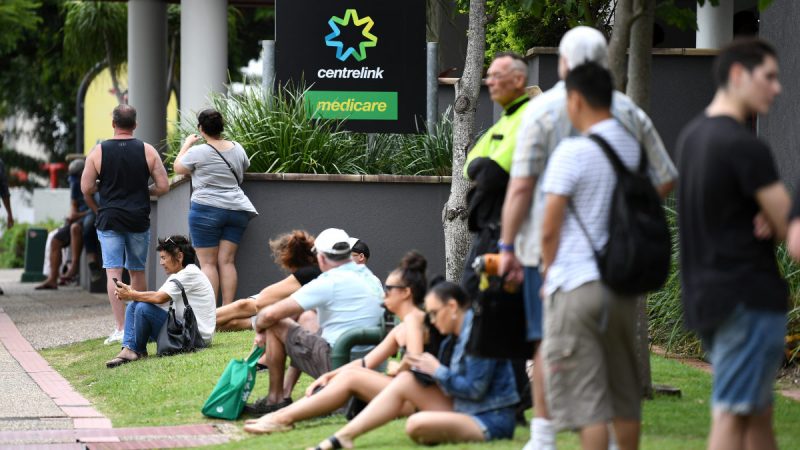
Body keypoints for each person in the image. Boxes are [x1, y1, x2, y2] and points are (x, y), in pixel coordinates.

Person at [497, 26, 678, 450]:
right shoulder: (629, 115)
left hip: (563, 267)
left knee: (559, 360)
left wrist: (509, 247)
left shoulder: (546, 114)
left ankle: (543, 435)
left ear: (564, 66)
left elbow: (525, 193)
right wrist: (626, 215)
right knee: (622, 389)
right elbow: (665, 176)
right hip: (619, 272)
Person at [675, 38, 789, 450]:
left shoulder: (692, 138)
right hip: (747, 299)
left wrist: (768, 216)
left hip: (708, 298)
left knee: (757, 414)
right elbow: (788, 224)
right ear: (738, 74)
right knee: (731, 414)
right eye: (769, 77)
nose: (777, 88)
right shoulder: (745, 146)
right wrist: (779, 216)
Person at [539, 62, 643, 450]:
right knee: (623, 396)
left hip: (577, 283)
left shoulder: (573, 151)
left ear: (577, 99)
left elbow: (549, 227)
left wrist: (548, 274)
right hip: (622, 286)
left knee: (588, 404)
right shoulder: (633, 148)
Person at [306, 281, 519, 450]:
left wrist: (437, 370)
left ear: (452, 307)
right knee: (406, 380)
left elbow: (474, 389)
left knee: (416, 424)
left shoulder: (478, 335)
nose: (432, 321)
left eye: (434, 313)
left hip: (490, 418)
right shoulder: (454, 337)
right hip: (465, 407)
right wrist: (417, 370)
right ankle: (342, 437)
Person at [242, 251, 433, 434]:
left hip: (414, 398)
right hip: (403, 392)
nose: (385, 293)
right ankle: (282, 417)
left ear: (406, 293)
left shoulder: (414, 321)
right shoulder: (402, 326)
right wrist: (330, 375)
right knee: (348, 375)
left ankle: (280, 418)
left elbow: (416, 368)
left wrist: (400, 368)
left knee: (350, 377)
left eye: (389, 289)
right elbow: (366, 362)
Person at [247, 228, 384, 415]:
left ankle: (275, 399)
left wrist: (260, 330)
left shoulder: (329, 281)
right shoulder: (369, 276)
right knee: (306, 317)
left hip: (341, 363)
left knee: (276, 323)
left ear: (321, 258)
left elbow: (269, 315)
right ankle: (285, 392)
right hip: (371, 365)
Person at [81, 104, 170, 345]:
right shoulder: (148, 150)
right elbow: (163, 186)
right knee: (137, 270)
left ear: (113, 124)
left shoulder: (98, 152)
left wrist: (101, 193)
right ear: (135, 125)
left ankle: (120, 328)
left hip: (109, 219)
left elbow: (86, 188)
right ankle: (138, 325)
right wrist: (144, 191)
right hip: (138, 218)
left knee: (113, 271)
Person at [462, 51, 531, 298]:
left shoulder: (529, 117)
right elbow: (468, 167)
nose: (489, 82)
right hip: (487, 233)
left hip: (510, 234)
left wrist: (484, 165)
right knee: (470, 296)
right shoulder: (503, 121)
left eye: (496, 76)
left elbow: (493, 173)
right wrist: (484, 165)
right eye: (488, 76)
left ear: (518, 80)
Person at [173, 109, 258, 306]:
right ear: (221, 127)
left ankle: (211, 313)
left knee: (208, 264)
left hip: (206, 209)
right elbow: (244, 166)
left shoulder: (198, 152)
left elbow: (178, 167)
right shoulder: (237, 147)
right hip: (237, 209)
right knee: (227, 261)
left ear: (200, 129)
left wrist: (187, 143)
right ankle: (227, 311)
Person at [106, 235, 216, 368]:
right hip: (184, 331)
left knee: (141, 308)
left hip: (195, 338)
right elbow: (156, 298)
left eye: (164, 258)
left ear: (179, 256)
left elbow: (159, 298)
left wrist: (131, 294)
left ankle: (135, 350)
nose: (161, 263)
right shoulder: (181, 274)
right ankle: (130, 349)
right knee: (134, 306)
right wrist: (131, 293)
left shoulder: (189, 274)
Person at [216, 230, 320, 332]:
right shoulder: (313, 270)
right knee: (239, 313)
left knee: (240, 312)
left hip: (296, 316)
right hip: (293, 313)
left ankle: (205, 321)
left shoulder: (310, 272)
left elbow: (260, 302)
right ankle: (206, 322)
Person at [36, 159, 92, 289]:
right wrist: (73, 215)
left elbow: (95, 209)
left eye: (76, 176)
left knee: (75, 228)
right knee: (55, 240)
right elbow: (74, 204)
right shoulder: (75, 184)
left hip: (88, 219)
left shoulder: (92, 183)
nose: (73, 180)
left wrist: (78, 215)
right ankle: (52, 279)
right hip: (77, 218)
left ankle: (74, 267)